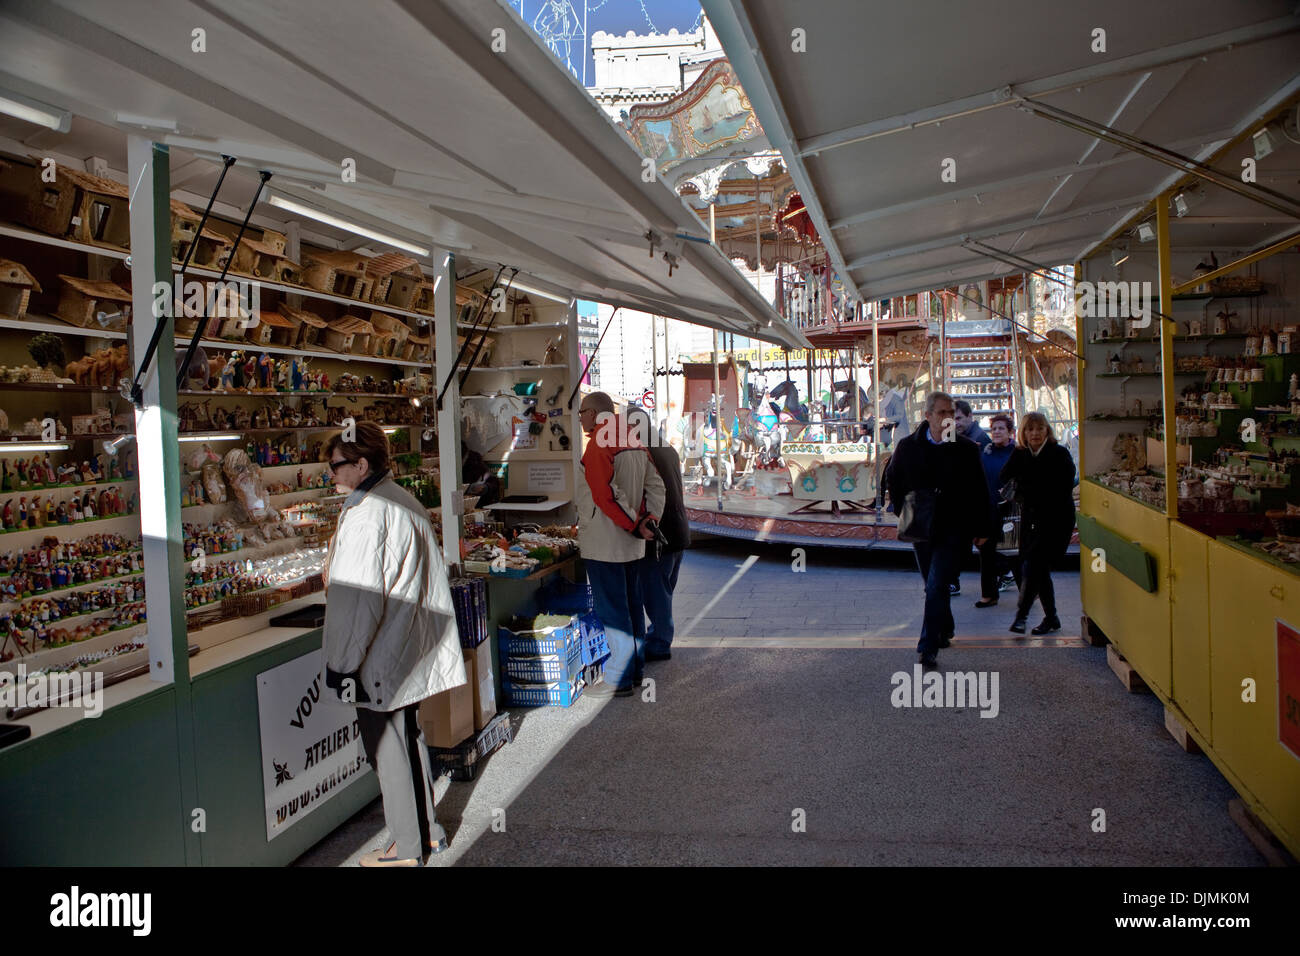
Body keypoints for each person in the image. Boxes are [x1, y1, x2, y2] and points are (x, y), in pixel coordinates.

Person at [321, 421, 466, 867]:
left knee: (389, 750)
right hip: (406, 648)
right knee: (407, 739)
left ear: (360, 464)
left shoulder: (369, 514)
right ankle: (428, 835)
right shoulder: (398, 499)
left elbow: (357, 602)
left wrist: (342, 665)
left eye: (336, 466)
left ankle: (407, 850)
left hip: (381, 655)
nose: (331, 475)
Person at [887, 391, 993, 668]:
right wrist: (903, 510)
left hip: (953, 527)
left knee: (936, 583)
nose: (948, 418)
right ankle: (944, 628)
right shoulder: (908, 446)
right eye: (943, 413)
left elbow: (980, 490)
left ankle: (928, 645)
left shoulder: (966, 448)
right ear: (928, 416)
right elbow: (893, 479)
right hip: (921, 526)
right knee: (932, 584)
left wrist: (982, 526)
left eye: (951, 413)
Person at [577, 392, 666, 698]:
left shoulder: (599, 444)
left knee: (614, 612)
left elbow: (605, 495)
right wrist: (649, 519)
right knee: (631, 607)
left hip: (606, 542)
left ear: (593, 413)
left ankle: (619, 678)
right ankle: (636, 670)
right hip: (632, 543)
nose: (579, 419)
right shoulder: (633, 440)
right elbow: (656, 485)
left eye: (581, 413)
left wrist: (633, 523)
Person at [999, 412, 1076, 635]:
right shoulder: (1020, 454)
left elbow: (1063, 486)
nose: (1035, 433)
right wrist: (1028, 490)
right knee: (1038, 568)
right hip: (1031, 521)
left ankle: (1021, 616)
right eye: (1030, 429)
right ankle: (1051, 618)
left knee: (1035, 565)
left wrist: (1028, 488)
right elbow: (1004, 476)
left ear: (1047, 431)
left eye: (1039, 428)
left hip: (1056, 521)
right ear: (1023, 432)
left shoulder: (1059, 453)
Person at [626, 406, 689, 662]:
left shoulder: (642, 452)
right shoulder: (666, 448)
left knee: (655, 594)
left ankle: (661, 643)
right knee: (664, 589)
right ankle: (658, 635)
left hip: (658, 534)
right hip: (679, 530)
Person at [975, 414, 1017, 608]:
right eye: (994, 429)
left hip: (1012, 510)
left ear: (1010, 432)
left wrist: (1009, 493)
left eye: (1001, 428)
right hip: (989, 508)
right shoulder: (986, 453)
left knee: (1015, 553)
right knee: (986, 552)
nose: (997, 432)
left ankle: (1028, 590)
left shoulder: (1018, 454)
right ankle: (988, 595)